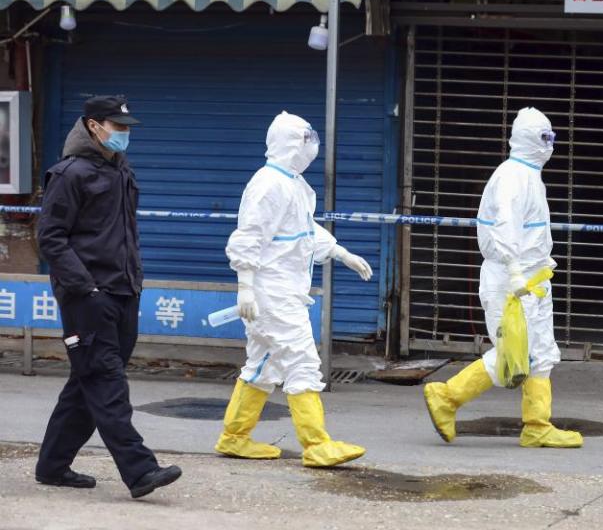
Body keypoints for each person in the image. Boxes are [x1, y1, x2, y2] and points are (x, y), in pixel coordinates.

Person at [36, 95, 182, 499]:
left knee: (87, 381)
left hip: (123, 292)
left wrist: (133, 281)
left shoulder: (120, 170)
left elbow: (123, 234)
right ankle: (140, 470)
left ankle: (52, 465)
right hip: (88, 296)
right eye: (117, 127)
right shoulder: (70, 174)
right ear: (93, 126)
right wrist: (86, 288)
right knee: (105, 380)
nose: (124, 133)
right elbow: (50, 238)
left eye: (127, 127)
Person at [216, 111, 373, 468]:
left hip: (280, 291)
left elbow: (304, 230)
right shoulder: (269, 184)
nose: (312, 147)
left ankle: (234, 437)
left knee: (263, 365)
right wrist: (245, 287)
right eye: (307, 140)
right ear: (289, 143)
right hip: (272, 293)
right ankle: (316, 444)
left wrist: (339, 251)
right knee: (302, 360)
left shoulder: (293, 183)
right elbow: (249, 237)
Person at [424, 107, 583, 449]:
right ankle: (447, 397)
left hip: (533, 280)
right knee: (515, 355)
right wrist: (514, 272)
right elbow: (505, 228)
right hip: (513, 281)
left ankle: (537, 425)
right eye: (546, 138)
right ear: (531, 140)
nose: (550, 145)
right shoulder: (513, 177)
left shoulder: (529, 176)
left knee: (541, 354)